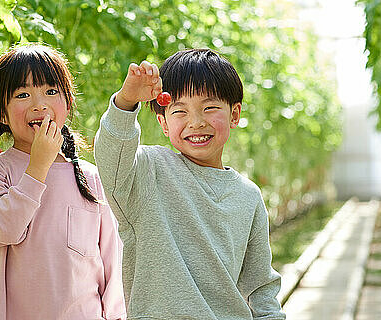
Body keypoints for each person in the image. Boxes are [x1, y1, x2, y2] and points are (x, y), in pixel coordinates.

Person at [94, 48, 285, 319]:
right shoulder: (147, 171)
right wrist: (126, 102)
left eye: (209, 108)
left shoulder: (248, 196)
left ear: (234, 114)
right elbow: (110, 155)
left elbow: (261, 289)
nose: (196, 122)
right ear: (163, 123)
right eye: (180, 111)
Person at [0, 44, 126, 320]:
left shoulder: (89, 178)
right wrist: (37, 167)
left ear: (68, 102)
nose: (39, 104)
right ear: (0, 113)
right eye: (23, 94)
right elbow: (0, 231)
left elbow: (113, 264)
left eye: (51, 92)